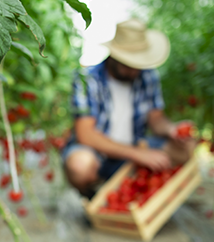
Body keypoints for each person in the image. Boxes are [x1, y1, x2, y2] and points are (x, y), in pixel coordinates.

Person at [62, 18, 195, 199]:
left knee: (186, 148)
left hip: (134, 149)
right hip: (99, 154)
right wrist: (139, 154)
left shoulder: (147, 76)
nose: (135, 70)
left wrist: (171, 129)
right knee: (79, 166)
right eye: (128, 64)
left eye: (138, 64)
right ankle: (93, 193)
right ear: (114, 56)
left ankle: (137, 189)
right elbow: (86, 134)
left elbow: (156, 119)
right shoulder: (87, 79)